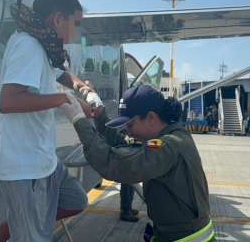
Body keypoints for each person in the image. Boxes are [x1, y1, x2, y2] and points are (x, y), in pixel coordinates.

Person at [0, 0, 92, 242]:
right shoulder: (28, 46)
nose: (74, 34)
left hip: (42, 158)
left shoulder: (43, 43)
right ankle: (22, 229)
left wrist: (81, 87)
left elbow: (59, 72)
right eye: (75, 25)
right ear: (58, 19)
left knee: (76, 199)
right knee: (34, 237)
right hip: (24, 164)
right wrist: (65, 99)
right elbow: (7, 101)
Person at [60, 85, 215, 242]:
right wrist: (100, 117)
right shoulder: (169, 137)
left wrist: (78, 120)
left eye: (130, 125)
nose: (128, 131)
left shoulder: (168, 148)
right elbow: (123, 143)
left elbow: (116, 164)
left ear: (151, 118)